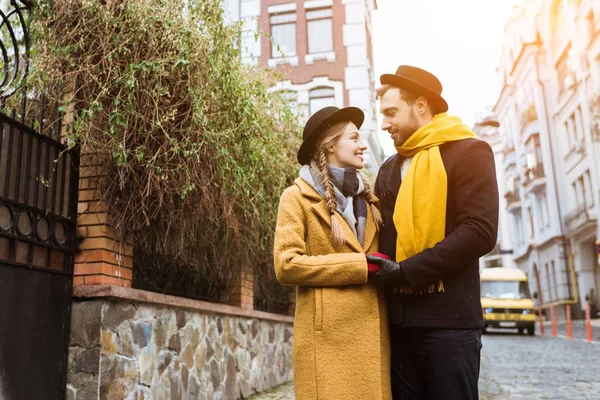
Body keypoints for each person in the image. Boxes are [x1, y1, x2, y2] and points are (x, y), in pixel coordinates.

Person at [367, 65, 499, 400]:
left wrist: (406, 272)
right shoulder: (388, 168)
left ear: (421, 105)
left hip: (450, 324)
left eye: (391, 113)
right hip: (398, 325)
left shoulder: (470, 152)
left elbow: (480, 231)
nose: (384, 124)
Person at [273, 106, 392, 400]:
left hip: (373, 336)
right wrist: (359, 265)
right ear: (329, 146)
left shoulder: (370, 199)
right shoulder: (296, 197)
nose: (362, 145)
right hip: (325, 341)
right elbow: (286, 265)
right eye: (353, 138)